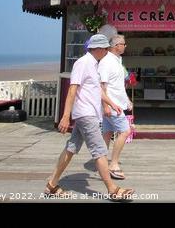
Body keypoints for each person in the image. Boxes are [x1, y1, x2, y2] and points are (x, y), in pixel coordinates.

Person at [44, 33, 135, 201]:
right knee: (100, 151)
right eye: (106, 49)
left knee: (71, 148)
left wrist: (111, 103)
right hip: (86, 115)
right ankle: (113, 190)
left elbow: (97, 89)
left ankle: (52, 184)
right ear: (99, 49)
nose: (108, 52)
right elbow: (72, 90)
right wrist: (65, 116)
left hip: (89, 113)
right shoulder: (83, 63)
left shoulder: (94, 64)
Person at [98, 34, 133, 180]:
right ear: (116, 46)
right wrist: (106, 106)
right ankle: (113, 164)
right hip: (112, 106)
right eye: (123, 44)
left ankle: (101, 163)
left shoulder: (117, 61)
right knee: (125, 131)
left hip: (117, 104)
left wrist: (127, 100)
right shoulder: (106, 62)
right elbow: (102, 86)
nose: (125, 46)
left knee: (107, 133)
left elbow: (118, 86)